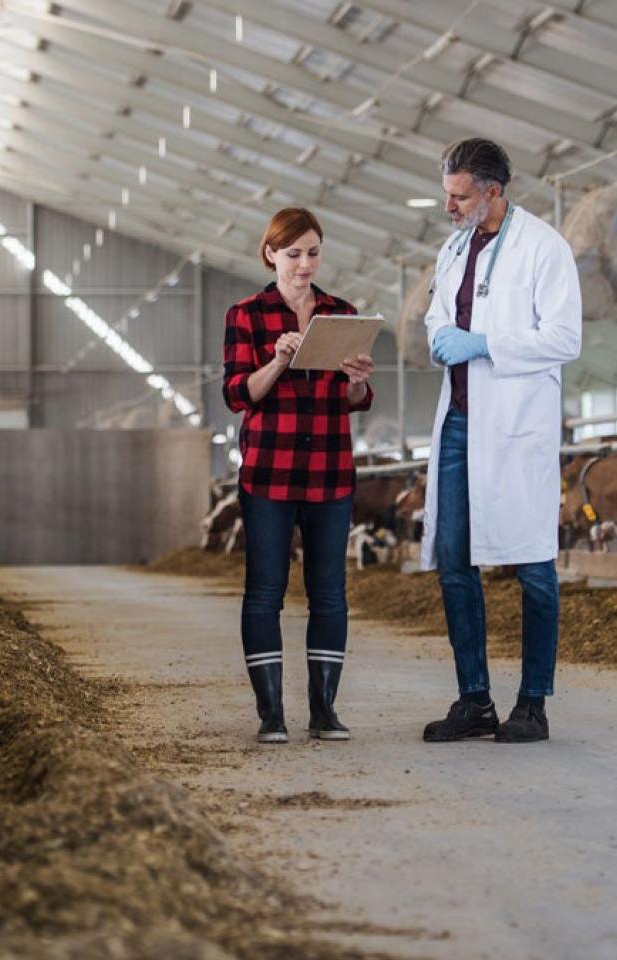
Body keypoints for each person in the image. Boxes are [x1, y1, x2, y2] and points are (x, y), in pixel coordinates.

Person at [419, 138, 582, 744]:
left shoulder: (544, 247)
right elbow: (438, 312)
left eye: (459, 196)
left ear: (493, 191)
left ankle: (533, 702)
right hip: (461, 420)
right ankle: (474, 700)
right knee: (455, 562)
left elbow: (565, 338)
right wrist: (442, 334)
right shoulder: (453, 247)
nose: (449, 207)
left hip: (515, 427)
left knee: (534, 564)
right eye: (446, 194)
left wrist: (484, 342)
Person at [222, 207, 375, 744]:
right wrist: (278, 361)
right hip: (269, 471)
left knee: (329, 592)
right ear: (270, 254)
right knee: (265, 590)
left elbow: (356, 400)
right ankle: (271, 714)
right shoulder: (247, 315)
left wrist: (356, 379)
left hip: (331, 471)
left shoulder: (342, 314)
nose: (304, 264)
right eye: (293, 254)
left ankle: (324, 711)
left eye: (313, 252)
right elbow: (239, 394)